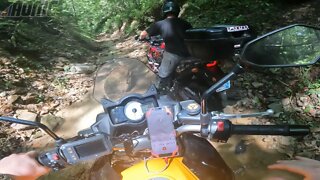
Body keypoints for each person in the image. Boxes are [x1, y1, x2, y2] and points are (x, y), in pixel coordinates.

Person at [139, 0, 192, 91]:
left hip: (174, 54)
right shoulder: (185, 23)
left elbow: (143, 34)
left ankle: (160, 94)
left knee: (161, 76)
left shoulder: (160, 24)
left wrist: (140, 38)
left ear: (164, 11)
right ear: (177, 11)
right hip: (190, 53)